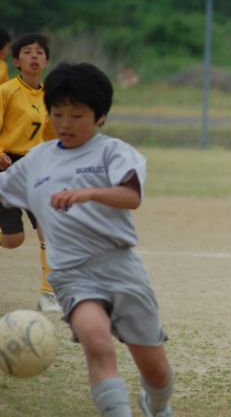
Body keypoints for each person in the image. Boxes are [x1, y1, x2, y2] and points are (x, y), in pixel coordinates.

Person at [0, 62, 175, 417]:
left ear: (100, 116)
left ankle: (157, 406)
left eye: (77, 115)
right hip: (71, 274)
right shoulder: (37, 161)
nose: (65, 123)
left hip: (120, 266)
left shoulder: (113, 152)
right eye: (57, 114)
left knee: (155, 370)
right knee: (97, 342)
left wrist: (88, 193)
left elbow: (131, 196)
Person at [0, 32, 61, 312]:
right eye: (27, 52)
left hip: (36, 167)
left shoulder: (50, 97)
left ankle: (48, 294)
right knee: (14, 241)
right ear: (16, 61)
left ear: (46, 61)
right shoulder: (6, 91)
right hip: (7, 166)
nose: (34, 56)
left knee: (49, 227)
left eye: (39, 52)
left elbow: (52, 135)